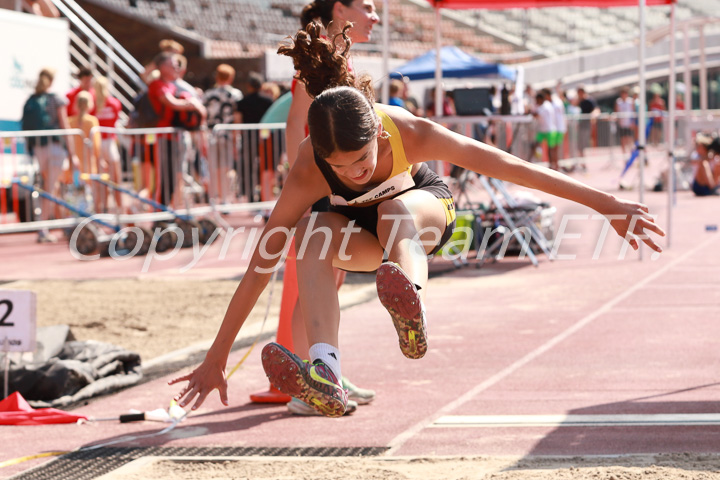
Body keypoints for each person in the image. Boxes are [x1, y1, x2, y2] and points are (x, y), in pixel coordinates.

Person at [170, 24, 665, 418]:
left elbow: (513, 167)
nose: (353, 172)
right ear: (320, 157)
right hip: (360, 237)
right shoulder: (308, 167)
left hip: (421, 212)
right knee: (312, 233)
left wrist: (607, 204)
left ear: (377, 136)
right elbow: (261, 264)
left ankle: (411, 302)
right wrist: (217, 355)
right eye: (339, 167)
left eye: (361, 159)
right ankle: (326, 370)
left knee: (392, 207)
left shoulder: (408, 131)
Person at [281, 0, 380, 416]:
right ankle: (307, 384)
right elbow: (295, 124)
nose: (375, 17)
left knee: (331, 283)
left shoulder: (341, 54)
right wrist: (301, 189)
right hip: (323, 183)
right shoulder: (318, 56)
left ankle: (327, 370)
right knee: (314, 285)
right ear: (341, 9)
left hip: (337, 182)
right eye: (369, 7)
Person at [21, 68, 79, 243]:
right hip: (54, 147)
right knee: (50, 186)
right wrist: (72, 154)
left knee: (49, 186)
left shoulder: (31, 99)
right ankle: (43, 227)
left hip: (40, 148)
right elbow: (64, 127)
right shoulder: (56, 99)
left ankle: (53, 223)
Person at [147, 51, 206, 207]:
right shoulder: (157, 84)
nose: (176, 67)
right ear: (162, 67)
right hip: (165, 137)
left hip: (178, 135)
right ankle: (160, 213)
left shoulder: (174, 85)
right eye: (172, 64)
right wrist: (191, 104)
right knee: (166, 178)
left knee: (177, 176)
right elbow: (170, 102)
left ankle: (174, 210)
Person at [93, 76, 124, 213]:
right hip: (108, 143)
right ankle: (119, 206)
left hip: (98, 144)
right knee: (115, 178)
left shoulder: (93, 104)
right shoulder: (114, 103)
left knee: (102, 179)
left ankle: (104, 207)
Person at [68, 91, 102, 213]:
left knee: (76, 195)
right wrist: (99, 160)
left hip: (74, 166)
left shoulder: (70, 121)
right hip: (88, 165)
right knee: (91, 194)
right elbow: (97, 146)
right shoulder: (92, 121)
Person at [691, 132, 719, 197]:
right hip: (699, 184)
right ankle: (713, 188)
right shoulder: (695, 156)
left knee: (718, 165)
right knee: (704, 164)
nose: (698, 148)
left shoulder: (712, 157)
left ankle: (714, 187)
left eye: (700, 146)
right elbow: (693, 161)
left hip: (708, 184)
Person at [615, 86, 635, 154]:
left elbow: (633, 111)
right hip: (622, 124)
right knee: (623, 140)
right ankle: (624, 156)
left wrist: (632, 122)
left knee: (630, 140)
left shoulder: (630, 101)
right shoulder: (618, 102)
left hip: (628, 124)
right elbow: (617, 111)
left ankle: (631, 155)